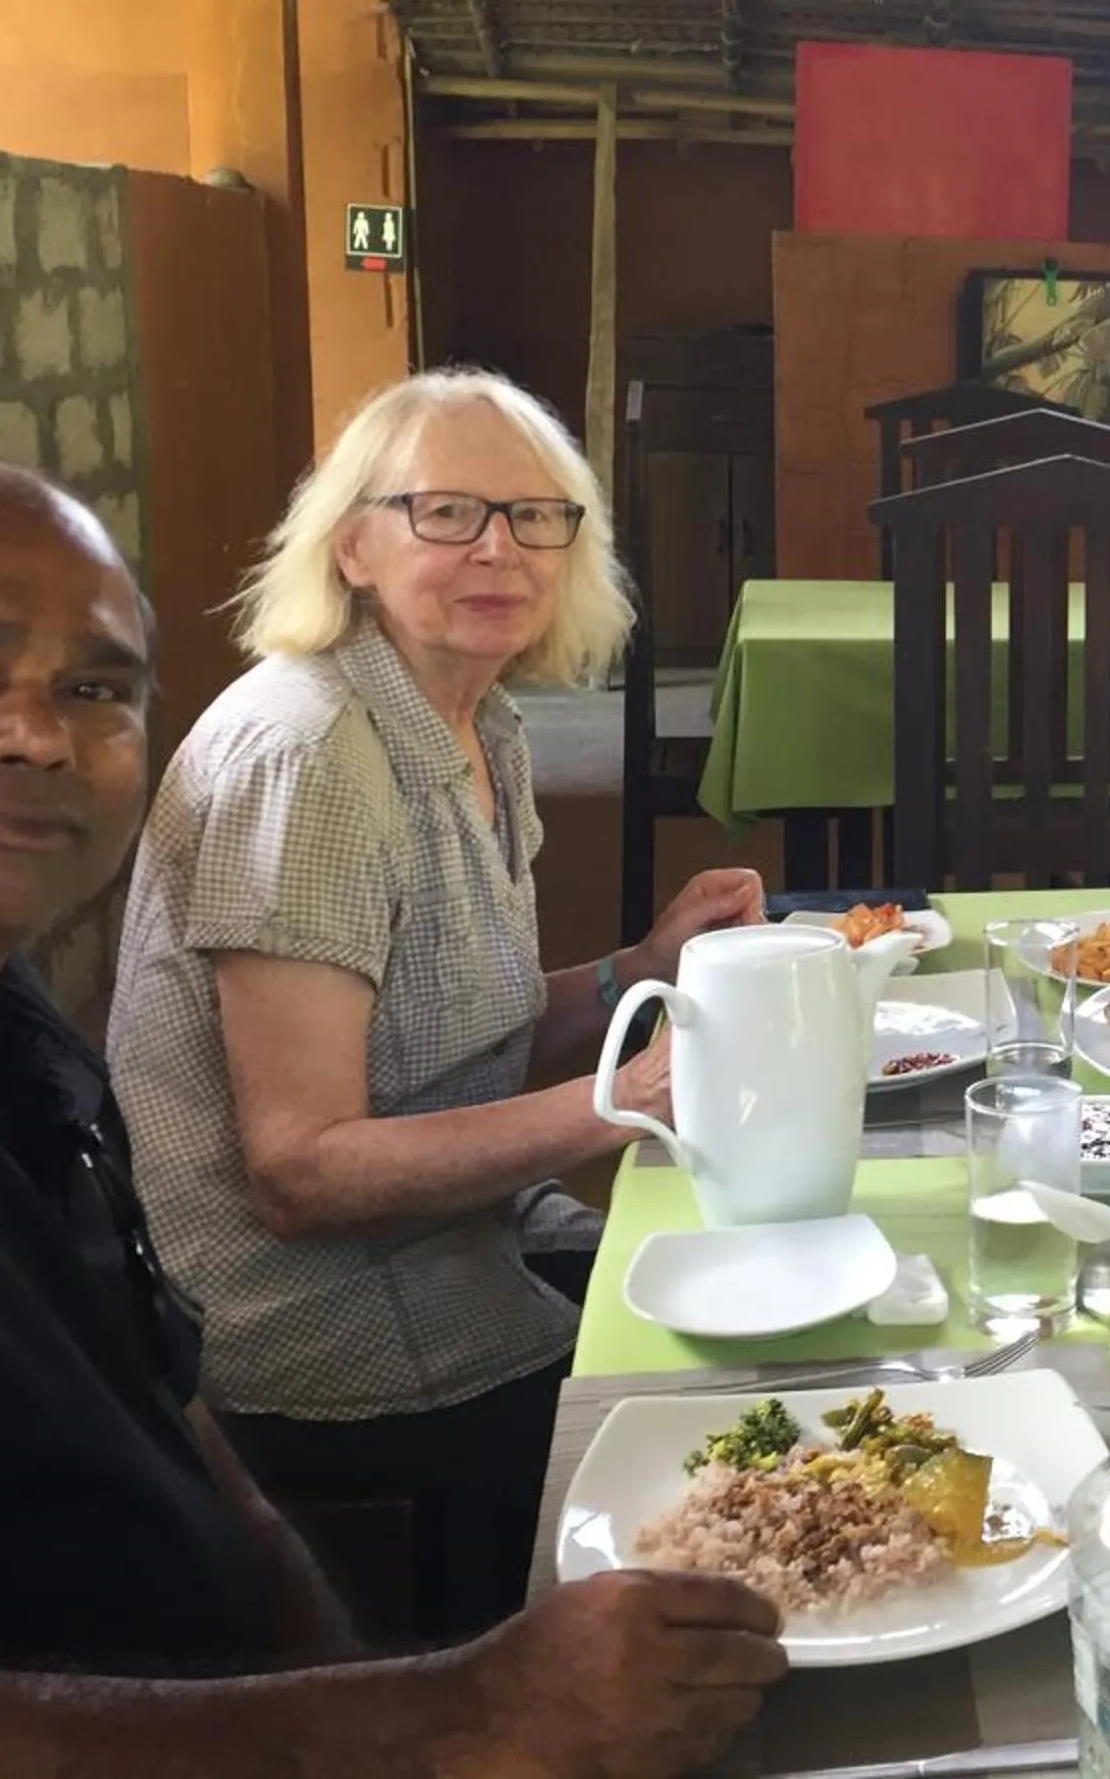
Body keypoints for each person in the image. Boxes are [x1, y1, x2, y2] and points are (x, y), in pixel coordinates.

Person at [0, 457, 782, 1775]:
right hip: (359, 1328)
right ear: (348, 543)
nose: (34, 732)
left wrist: (370, 1685)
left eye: (93, 687)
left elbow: (175, 1419)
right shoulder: (307, 753)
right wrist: (454, 1715)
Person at [109, 370, 765, 1641]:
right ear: (351, 542)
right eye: (447, 513)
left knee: (760, 1298)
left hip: (471, 1237)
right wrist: (612, 1108)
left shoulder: (473, 719)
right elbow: (299, 1174)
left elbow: (465, 1028)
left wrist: (642, 967)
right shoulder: (309, 757)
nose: (499, 550)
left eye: (535, 517)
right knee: (718, 1432)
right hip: (328, 1335)